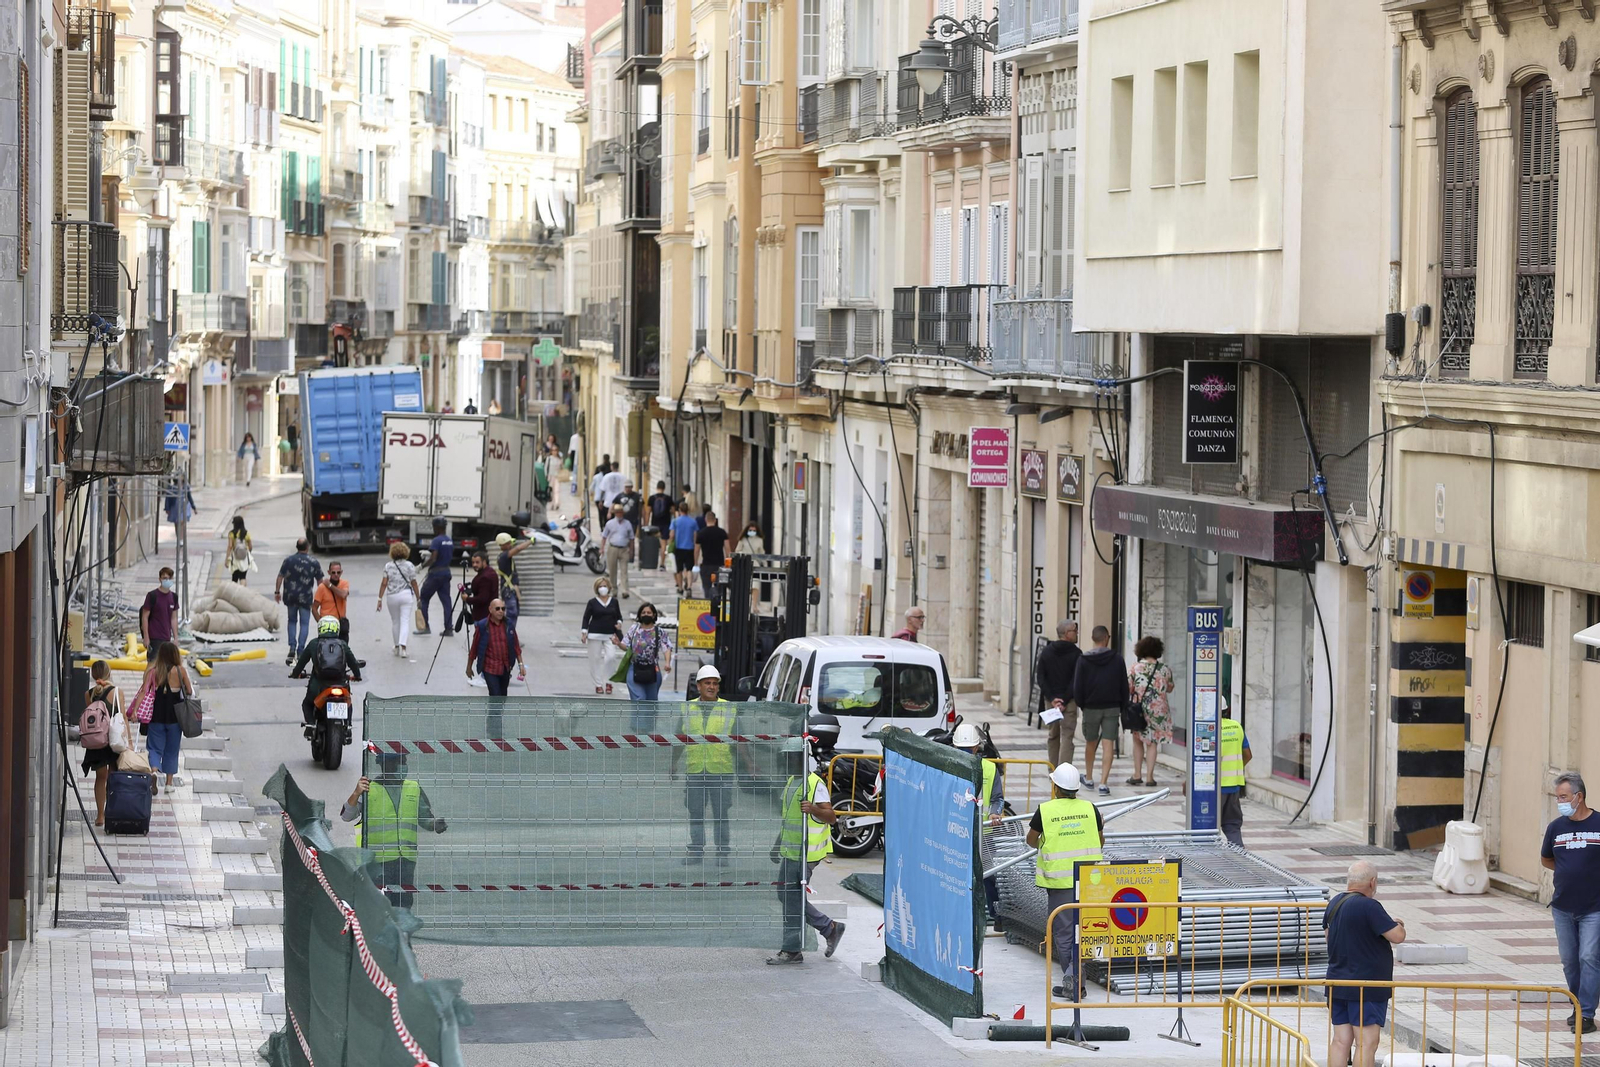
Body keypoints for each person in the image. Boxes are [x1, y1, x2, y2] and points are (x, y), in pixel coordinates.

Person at [767, 717, 846, 965]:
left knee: (791, 897)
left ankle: (793, 949)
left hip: (806, 853)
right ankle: (828, 927)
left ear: (801, 758)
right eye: (784, 758)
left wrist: (812, 809)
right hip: (791, 850)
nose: (785, 762)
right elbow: (789, 818)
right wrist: (777, 844)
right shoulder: (792, 781)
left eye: (789, 758)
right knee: (786, 895)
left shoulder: (814, 783)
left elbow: (831, 817)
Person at [1026, 763, 1104, 1000]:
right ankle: (1077, 981)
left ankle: (1073, 979)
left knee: (1064, 934)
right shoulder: (1090, 808)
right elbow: (1100, 840)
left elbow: (1031, 840)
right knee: (1085, 931)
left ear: (1056, 787)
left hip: (1061, 884)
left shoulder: (1045, 811)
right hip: (1089, 881)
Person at [1324, 861, 1406, 1067]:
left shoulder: (1334, 903)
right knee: (1366, 1043)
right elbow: (1397, 936)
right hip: (1366, 987)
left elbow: (1328, 937)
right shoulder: (1370, 906)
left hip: (1337, 983)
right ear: (1373, 882)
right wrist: (1399, 924)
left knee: (1340, 1041)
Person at [670, 665, 753, 866]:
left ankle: (722, 853)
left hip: (721, 770)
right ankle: (696, 851)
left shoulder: (729, 708)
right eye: (707, 683)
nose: (711, 687)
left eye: (715, 683)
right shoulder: (687, 708)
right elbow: (679, 738)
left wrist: (749, 764)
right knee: (696, 812)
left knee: (721, 814)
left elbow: (739, 739)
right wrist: (673, 764)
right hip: (695, 769)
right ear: (698, 686)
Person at [342, 752, 446, 908]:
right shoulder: (369, 789)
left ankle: (401, 925)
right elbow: (346, 815)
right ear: (387, 765)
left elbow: (424, 817)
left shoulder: (413, 788)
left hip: (405, 861)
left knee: (403, 904)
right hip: (377, 862)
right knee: (379, 904)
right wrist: (356, 793)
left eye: (404, 762)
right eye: (400, 762)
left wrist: (434, 824)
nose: (404, 766)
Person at [1542, 771, 1600, 1034]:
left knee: (1589, 957)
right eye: (1558, 798)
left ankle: (1586, 1013)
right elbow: (1546, 859)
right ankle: (1577, 1005)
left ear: (1579, 796)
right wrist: (1569, 872)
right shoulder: (1556, 828)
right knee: (1570, 961)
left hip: (1594, 908)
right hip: (1563, 907)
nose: (1560, 802)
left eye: (1564, 797)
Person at [954, 722, 1005, 929]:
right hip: (958, 831)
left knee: (989, 876)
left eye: (968, 749)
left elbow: (997, 798)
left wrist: (994, 812)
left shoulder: (989, 769)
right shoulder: (948, 766)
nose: (966, 752)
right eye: (962, 749)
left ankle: (996, 915)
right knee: (958, 874)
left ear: (976, 748)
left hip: (983, 833)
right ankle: (961, 913)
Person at [1072, 625, 1128, 796]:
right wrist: (1122, 705)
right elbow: (1123, 685)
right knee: (1108, 743)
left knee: (1091, 742)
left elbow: (1078, 686)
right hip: (1112, 706)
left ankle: (1089, 778)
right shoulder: (1117, 659)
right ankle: (1103, 783)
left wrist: (1082, 704)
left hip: (1091, 707)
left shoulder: (1083, 659)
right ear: (1106, 638)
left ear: (1093, 638)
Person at [292, 616, 363, 733]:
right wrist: (357, 676)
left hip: (319, 685)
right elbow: (353, 663)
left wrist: (295, 674)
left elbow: (301, 663)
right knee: (348, 703)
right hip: (340, 684)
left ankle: (310, 725)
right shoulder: (342, 644)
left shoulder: (314, 644)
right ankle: (348, 726)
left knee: (307, 704)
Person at [144, 641, 193, 794]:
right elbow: (189, 691)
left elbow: (146, 690)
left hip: (156, 716)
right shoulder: (180, 670)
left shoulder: (154, 671)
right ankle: (169, 784)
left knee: (154, 748)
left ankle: (153, 771)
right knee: (172, 750)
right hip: (175, 718)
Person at [81, 660, 125, 825]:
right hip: (112, 740)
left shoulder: (88, 694)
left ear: (93, 675)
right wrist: (127, 740)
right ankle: (111, 811)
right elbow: (123, 718)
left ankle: (100, 816)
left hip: (96, 740)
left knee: (100, 777)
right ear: (109, 673)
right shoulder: (116, 692)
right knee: (113, 775)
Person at [1127, 636, 1175, 787]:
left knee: (1137, 740)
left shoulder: (1135, 668)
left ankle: (1137, 774)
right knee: (1152, 742)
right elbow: (1170, 688)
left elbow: (1129, 687)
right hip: (1158, 710)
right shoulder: (1165, 669)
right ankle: (1150, 777)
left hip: (1139, 710)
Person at [1035, 621, 1081, 768]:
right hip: (1069, 701)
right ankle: (1064, 771)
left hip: (1051, 702)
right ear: (1067, 634)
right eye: (1074, 630)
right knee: (1067, 736)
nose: (1077, 633)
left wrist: (1053, 698)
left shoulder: (1047, 651)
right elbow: (1076, 679)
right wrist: (1065, 700)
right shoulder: (1077, 654)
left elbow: (1041, 677)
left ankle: (1053, 769)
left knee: (1053, 735)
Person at [619, 602, 671, 721]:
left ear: (654, 615)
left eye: (649, 612)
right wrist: (618, 643)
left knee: (651, 702)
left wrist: (667, 663)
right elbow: (625, 645)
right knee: (639, 699)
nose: (646, 614)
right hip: (634, 668)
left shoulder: (660, 632)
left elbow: (667, 647)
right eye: (643, 612)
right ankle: (638, 727)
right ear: (639, 615)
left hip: (652, 670)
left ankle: (649, 727)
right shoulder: (634, 629)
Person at [274, 538, 323, 665]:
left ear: (297, 547)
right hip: (305, 598)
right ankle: (301, 649)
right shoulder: (313, 562)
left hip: (290, 596)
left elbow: (280, 576)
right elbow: (320, 581)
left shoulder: (288, 560)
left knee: (292, 621)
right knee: (304, 623)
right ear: (307, 547)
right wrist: (322, 597)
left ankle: (292, 647)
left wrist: (277, 592)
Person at [467, 598, 526, 696]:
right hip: (490, 668)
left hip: (505, 668)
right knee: (495, 694)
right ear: (490, 609)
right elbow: (474, 648)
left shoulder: (508, 625)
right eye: (497, 608)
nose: (501, 611)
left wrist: (521, 665)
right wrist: (469, 667)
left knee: (502, 696)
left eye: (503, 609)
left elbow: (516, 646)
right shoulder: (482, 626)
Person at [376, 541, 421, 658]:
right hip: (406, 595)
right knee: (405, 621)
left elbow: (384, 583)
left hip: (392, 596)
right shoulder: (409, 565)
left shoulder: (388, 566)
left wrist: (379, 599)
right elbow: (414, 583)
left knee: (395, 621)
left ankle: (396, 647)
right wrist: (418, 598)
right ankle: (404, 648)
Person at [581, 576, 624, 694]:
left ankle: (609, 682)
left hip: (610, 635)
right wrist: (584, 632)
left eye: (604, 586)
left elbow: (619, 616)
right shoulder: (592, 602)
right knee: (595, 659)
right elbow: (586, 618)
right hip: (594, 634)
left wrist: (619, 623)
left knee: (611, 657)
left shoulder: (614, 602)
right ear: (597, 588)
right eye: (600, 586)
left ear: (609, 587)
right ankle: (598, 684)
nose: (603, 588)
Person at [1218, 700, 1252, 847]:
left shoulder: (1208, 729)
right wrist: (1236, 768)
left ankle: (1210, 858)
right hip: (1234, 787)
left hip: (1214, 788)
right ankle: (1239, 856)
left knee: (1207, 827)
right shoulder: (1236, 726)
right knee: (1232, 825)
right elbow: (1248, 755)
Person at [417, 518, 455, 636]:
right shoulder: (449, 540)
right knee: (446, 601)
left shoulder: (436, 540)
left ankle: (425, 627)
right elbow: (443, 555)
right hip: (446, 573)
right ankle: (448, 629)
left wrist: (422, 566)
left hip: (435, 574)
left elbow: (433, 558)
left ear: (436, 527)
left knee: (424, 598)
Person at [494, 531, 530, 635]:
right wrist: (530, 542)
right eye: (508, 543)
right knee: (511, 613)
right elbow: (518, 549)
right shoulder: (504, 556)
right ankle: (507, 636)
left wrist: (512, 542)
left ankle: (510, 635)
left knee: (514, 613)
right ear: (503, 545)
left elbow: (513, 546)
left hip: (511, 590)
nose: (510, 545)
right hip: (508, 591)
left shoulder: (504, 555)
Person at [140, 567, 180, 650]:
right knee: (154, 658)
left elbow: (174, 618)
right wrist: (146, 637)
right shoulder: (152, 596)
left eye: (169, 578)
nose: (167, 580)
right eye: (164, 578)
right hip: (154, 638)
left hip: (167, 638)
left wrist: (176, 637)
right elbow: (144, 617)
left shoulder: (174, 597)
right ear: (160, 579)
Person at [602, 503, 635, 600]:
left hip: (624, 549)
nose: (619, 514)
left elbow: (631, 538)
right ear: (615, 513)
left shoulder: (627, 524)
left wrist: (631, 550)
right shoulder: (610, 523)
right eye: (617, 512)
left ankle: (625, 590)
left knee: (624, 570)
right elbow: (604, 536)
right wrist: (602, 548)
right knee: (612, 570)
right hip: (613, 548)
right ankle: (613, 590)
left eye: (620, 512)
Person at [312, 560, 351, 642]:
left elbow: (343, 594)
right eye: (333, 572)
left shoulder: (344, 583)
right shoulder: (322, 587)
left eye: (338, 572)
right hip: (327, 625)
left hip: (340, 623)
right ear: (329, 572)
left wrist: (330, 585)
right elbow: (314, 608)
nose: (336, 575)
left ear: (341, 572)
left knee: (343, 647)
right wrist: (320, 622)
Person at [695, 512, 730, 601]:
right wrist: (728, 564)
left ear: (705, 520)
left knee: (707, 587)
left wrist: (695, 563)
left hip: (706, 565)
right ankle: (718, 603)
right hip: (719, 565)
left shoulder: (701, 533)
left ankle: (708, 603)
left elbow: (697, 550)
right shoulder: (722, 532)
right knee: (719, 587)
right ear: (715, 520)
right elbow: (727, 549)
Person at [670, 502, 701, 596]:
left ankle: (680, 588)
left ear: (679, 510)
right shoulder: (693, 522)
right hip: (689, 548)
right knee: (689, 569)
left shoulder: (675, 521)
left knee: (679, 569)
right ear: (688, 510)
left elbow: (672, 535)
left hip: (678, 548)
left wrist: (670, 544)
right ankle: (689, 587)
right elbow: (695, 536)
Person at [647, 482, 676, 569]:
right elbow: (673, 511)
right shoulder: (668, 498)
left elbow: (648, 512)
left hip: (655, 524)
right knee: (663, 544)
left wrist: (646, 524)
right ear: (664, 488)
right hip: (666, 524)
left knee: (654, 544)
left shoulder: (652, 498)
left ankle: (652, 562)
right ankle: (662, 564)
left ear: (656, 487)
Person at [225, 515, 254, 585]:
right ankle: (242, 590)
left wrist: (227, 559)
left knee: (234, 578)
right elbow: (250, 546)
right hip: (244, 557)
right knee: (243, 577)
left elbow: (230, 546)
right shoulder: (246, 533)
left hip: (235, 557)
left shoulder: (231, 533)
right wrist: (248, 553)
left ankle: (235, 591)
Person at [591, 459, 612, 528]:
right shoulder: (608, 477)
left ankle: (601, 527)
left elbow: (592, 487)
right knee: (605, 513)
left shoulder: (596, 477)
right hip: (605, 498)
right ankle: (605, 525)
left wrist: (591, 492)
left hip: (598, 498)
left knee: (600, 513)